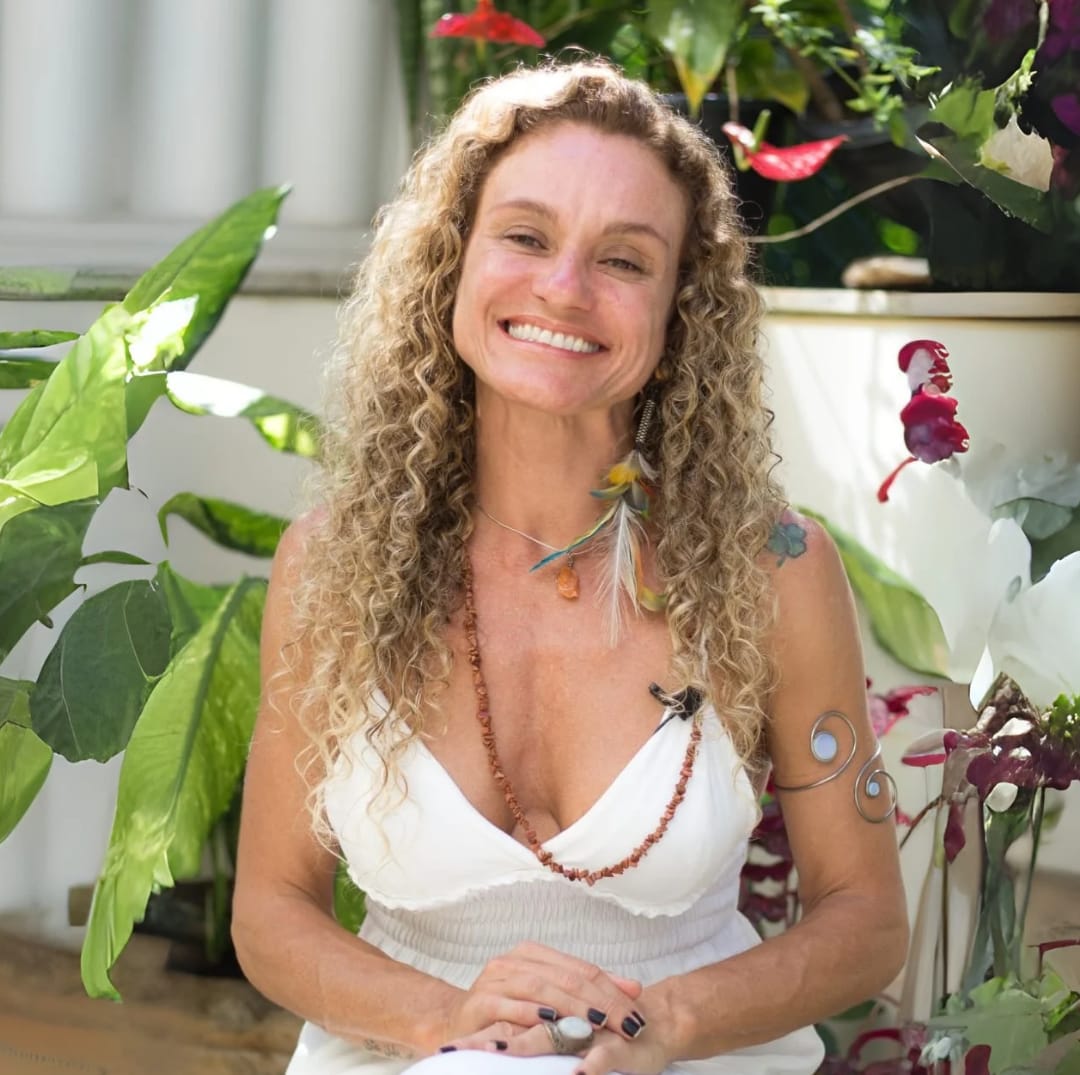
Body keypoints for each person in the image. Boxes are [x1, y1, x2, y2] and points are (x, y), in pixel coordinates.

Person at [232, 60, 909, 1075]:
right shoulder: (333, 567)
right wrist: (449, 1017)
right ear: (451, 264)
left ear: (681, 310)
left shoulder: (773, 569)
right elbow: (270, 908)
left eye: (624, 259)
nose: (564, 287)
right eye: (525, 236)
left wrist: (663, 1022)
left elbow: (865, 918)